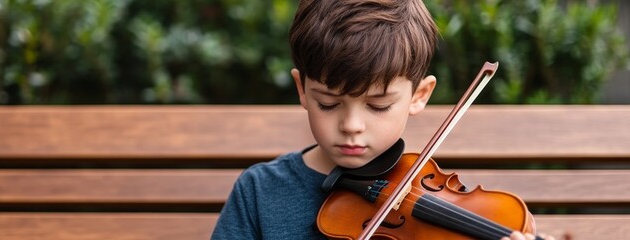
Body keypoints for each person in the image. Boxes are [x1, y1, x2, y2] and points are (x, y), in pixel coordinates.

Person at [211, 0, 554, 239]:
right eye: (329, 103)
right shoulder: (259, 191)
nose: (351, 125)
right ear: (303, 89)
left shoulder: (433, 204)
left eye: (377, 106)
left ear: (419, 96)